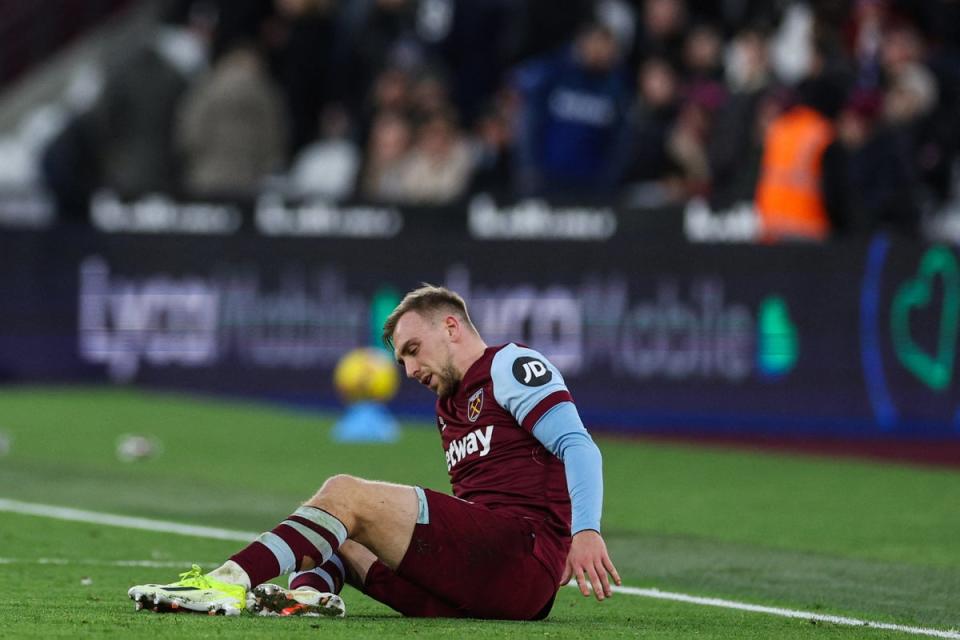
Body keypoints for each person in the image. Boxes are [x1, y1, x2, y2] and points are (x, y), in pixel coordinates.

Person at [127, 285, 620, 619]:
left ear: (451, 327)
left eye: (412, 348)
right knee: (335, 529)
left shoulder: (510, 365)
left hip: (520, 558)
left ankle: (229, 581)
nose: (408, 369)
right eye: (401, 357)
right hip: (491, 578)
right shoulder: (450, 404)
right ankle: (309, 595)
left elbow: (578, 445)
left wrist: (585, 532)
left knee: (345, 493)